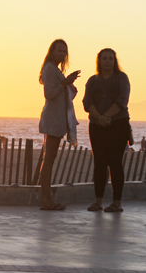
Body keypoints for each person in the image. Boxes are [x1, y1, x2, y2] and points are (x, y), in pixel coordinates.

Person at [82, 48, 131, 213]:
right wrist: (99, 117)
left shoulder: (121, 78)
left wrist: (106, 117)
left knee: (115, 163)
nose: (108, 61)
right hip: (97, 126)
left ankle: (116, 202)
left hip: (117, 124)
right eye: (104, 58)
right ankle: (98, 201)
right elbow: (87, 101)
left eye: (111, 58)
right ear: (99, 61)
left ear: (115, 61)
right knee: (99, 163)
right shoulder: (92, 81)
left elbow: (122, 100)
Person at [37, 39, 80, 210]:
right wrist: (65, 83)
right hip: (53, 120)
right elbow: (49, 94)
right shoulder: (49, 69)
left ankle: (47, 199)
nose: (62, 54)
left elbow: (62, 95)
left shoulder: (55, 70)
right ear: (52, 52)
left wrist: (68, 85)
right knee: (49, 159)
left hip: (58, 119)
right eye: (59, 51)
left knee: (50, 158)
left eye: (64, 52)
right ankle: (46, 200)